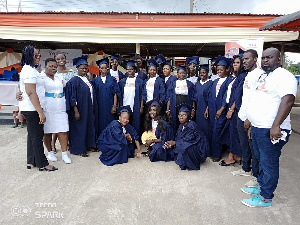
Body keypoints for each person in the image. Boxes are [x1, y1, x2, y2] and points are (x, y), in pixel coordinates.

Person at [241, 48, 297, 207]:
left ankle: (265, 197)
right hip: (258, 127)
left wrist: (276, 125)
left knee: (268, 162)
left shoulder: (284, 76)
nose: (265, 60)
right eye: (264, 58)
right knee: (259, 159)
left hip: (271, 130)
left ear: (279, 59)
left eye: (269, 57)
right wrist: (252, 122)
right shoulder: (264, 75)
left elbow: (288, 100)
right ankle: (261, 187)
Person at [19, 45, 57, 171]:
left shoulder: (30, 69)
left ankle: (31, 161)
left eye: (39, 55)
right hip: (32, 108)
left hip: (31, 107)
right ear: (29, 56)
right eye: (36, 55)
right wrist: (40, 112)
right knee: (36, 136)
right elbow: (31, 92)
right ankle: (42, 164)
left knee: (31, 135)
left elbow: (22, 88)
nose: (38, 57)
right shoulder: (29, 70)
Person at [231, 49, 261, 188]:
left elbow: (257, 99)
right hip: (241, 115)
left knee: (254, 148)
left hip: (251, 118)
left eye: (247, 59)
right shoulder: (248, 75)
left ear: (255, 59)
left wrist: (250, 118)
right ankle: (245, 169)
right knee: (245, 145)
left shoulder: (259, 75)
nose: (244, 62)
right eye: (243, 60)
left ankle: (256, 176)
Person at [65, 55, 96, 157]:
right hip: (80, 109)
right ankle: (79, 149)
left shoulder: (87, 79)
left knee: (88, 126)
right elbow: (72, 97)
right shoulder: (73, 81)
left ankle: (89, 145)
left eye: (86, 68)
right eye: (82, 68)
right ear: (77, 68)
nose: (84, 70)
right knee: (79, 128)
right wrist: (76, 111)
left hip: (88, 108)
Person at [42, 58, 71, 164]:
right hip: (47, 108)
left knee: (63, 130)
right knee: (48, 131)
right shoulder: (41, 77)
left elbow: (68, 86)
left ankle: (64, 154)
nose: (53, 69)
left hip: (60, 107)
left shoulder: (59, 77)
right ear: (45, 66)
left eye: (55, 66)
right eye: (51, 66)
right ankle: (50, 152)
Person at [218, 54, 245, 166]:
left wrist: (231, 110)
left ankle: (231, 157)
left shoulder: (243, 76)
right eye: (234, 62)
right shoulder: (236, 77)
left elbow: (238, 95)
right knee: (231, 133)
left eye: (238, 63)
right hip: (231, 108)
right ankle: (236, 155)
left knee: (234, 134)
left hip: (236, 109)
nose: (235, 64)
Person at [165, 104, 209, 170]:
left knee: (185, 151)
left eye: (184, 115)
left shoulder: (192, 126)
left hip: (199, 150)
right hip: (187, 144)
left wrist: (174, 143)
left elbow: (189, 140)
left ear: (188, 116)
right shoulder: (181, 125)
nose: (181, 117)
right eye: (179, 115)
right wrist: (171, 143)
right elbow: (179, 138)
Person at [207, 59, 232, 162]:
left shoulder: (229, 81)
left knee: (218, 131)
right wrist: (207, 109)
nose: (219, 72)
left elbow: (228, 97)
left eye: (221, 70)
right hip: (212, 108)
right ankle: (213, 152)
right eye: (218, 70)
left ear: (226, 69)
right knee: (212, 130)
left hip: (222, 110)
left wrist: (222, 109)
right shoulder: (215, 81)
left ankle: (217, 154)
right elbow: (210, 96)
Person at [51, 53, 76, 153]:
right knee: (57, 123)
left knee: (67, 123)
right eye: (58, 59)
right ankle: (53, 145)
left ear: (66, 59)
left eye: (62, 58)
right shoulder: (54, 73)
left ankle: (66, 144)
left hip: (69, 100)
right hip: (57, 101)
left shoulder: (72, 72)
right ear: (55, 61)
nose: (61, 60)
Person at [92, 57, 121, 136]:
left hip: (110, 105)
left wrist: (114, 106)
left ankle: (110, 142)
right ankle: (100, 143)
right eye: (102, 68)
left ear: (108, 69)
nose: (104, 70)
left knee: (110, 123)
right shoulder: (95, 80)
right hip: (99, 107)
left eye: (105, 68)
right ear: (100, 69)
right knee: (100, 124)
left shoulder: (112, 79)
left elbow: (115, 93)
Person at [166, 65, 195, 132]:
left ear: (186, 74)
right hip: (174, 106)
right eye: (180, 73)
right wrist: (168, 109)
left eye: (184, 73)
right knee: (175, 122)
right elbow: (169, 98)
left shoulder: (189, 84)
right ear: (177, 74)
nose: (182, 74)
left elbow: (193, 97)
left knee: (186, 121)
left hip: (186, 104)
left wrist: (193, 109)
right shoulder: (173, 84)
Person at [119, 60, 144, 135]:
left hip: (135, 106)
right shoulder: (122, 81)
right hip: (125, 105)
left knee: (135, 123)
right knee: (125, 123)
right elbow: (119, 95)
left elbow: (142, 95)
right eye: (128, 69)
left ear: (135, 70)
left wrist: (141, 107)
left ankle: (135, 140)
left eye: (131, 69)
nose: (129, 71)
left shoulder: (139, 81)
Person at [194, 64, 213, 146]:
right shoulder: (197, 84)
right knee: (199, 128)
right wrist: (193, 109)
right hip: (198, 110)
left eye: (204, 72)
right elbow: (194, 98)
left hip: (206, 109)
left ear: (207, 73)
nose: (202, 74)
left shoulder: (210, 83)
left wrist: (207, 109)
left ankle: (207, 147)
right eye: (201, 73)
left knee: (207, 128)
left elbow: (210, 98)